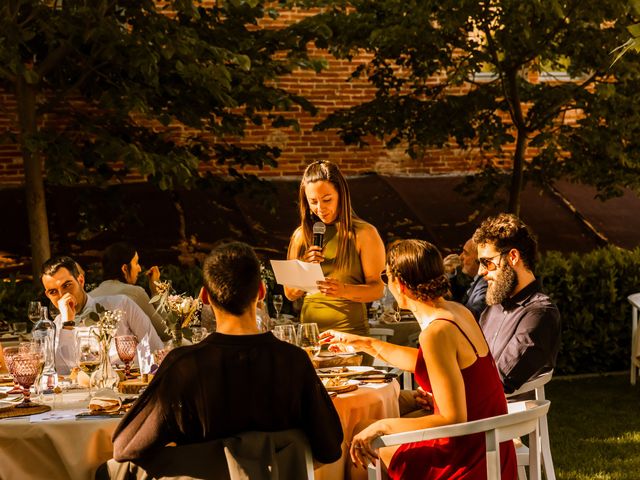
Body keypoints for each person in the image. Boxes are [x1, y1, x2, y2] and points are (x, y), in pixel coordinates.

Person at [112, 241, 343, 465]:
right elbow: (330, 448)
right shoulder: (294, 361)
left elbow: (125, 447)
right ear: (261, 292)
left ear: (204, 298)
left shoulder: (184, 366)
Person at [321, 239, 516, 479]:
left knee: (363, 443)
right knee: (363, 429)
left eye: (386, 277)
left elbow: (453, 418)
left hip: (467, 459)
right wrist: (365, 343)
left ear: (400, 285)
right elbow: (430, 363)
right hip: (491, 445)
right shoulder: (457, 311)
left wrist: (383, 425)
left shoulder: (436, 333)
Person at [285, 160, 385, 335]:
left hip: (350, 334)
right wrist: (305, 269)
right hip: (310, 335)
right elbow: (290, 294)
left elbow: (378, 289)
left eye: (327, 199)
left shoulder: (364, 233)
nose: (320, 208)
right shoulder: (301, 235)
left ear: (341, 194)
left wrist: (344, 290)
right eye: (313, 201)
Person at [473, 213, 561, 394]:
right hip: (476, 405)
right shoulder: (494, 307)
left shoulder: (540, 313)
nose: (481, 272)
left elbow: (500, 379)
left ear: (513, 256)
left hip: (504, 416)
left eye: (487, 262)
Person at [40, 256, 164, 373]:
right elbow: (64, 373)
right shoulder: (56, 324)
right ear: (47, 295)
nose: (62, 296)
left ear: (81, 280)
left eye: (67, 285)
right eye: (53, 292)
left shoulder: (121, 304)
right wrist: (67, 324)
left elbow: (156, 349)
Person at [90, 242, 170, 341]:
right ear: (124, 268)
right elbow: (166, 332)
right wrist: (156, 292)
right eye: (136, 263)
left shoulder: (90, 296)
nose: (140, 269)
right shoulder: (135, 293)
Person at [443, 237, 488, 320]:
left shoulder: (485, 284)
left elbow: (474, 314)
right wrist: (450, 274)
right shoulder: (475, 281)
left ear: (479, 259)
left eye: (466, 253)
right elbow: (457, 297)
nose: (460, 257)